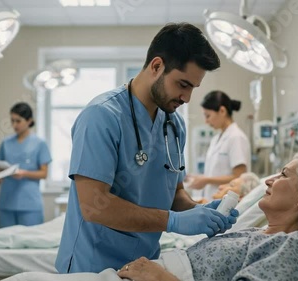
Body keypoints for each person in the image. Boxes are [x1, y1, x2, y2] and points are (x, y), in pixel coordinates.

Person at [2, 148, 298, 281]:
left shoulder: (288, 248)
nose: (269, 178)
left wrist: (160, 278)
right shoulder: (255, 234)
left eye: (283, 175)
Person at [55, 22, 239, 274]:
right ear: (156, 66)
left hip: (146, 266)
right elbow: (92, 207)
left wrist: (198, 211)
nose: (187, 98)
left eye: (193, 88)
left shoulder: (175, 125)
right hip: (93, 266)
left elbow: (175, 194)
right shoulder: (100, 117)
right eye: (183, 85)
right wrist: (173, 222)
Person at [187, 90, 251, 202]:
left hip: (228, 202)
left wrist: (206, 180)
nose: (206, 121)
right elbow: (215, 172)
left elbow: (239, 176)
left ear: (222, 111)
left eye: (208, 116)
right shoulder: (216, 139)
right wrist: (201, 178)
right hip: (213, 200)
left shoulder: (236, 137)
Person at [0, 102, 52, 228]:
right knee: (5, 243)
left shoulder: (40, 143)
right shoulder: (6, 143)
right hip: (7, 202)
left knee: (31, 243)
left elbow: (44, 173)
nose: (14, 125)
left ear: (29, 121)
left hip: (30, 203)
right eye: (12, 121)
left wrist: (24, 173)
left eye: (18, 121)